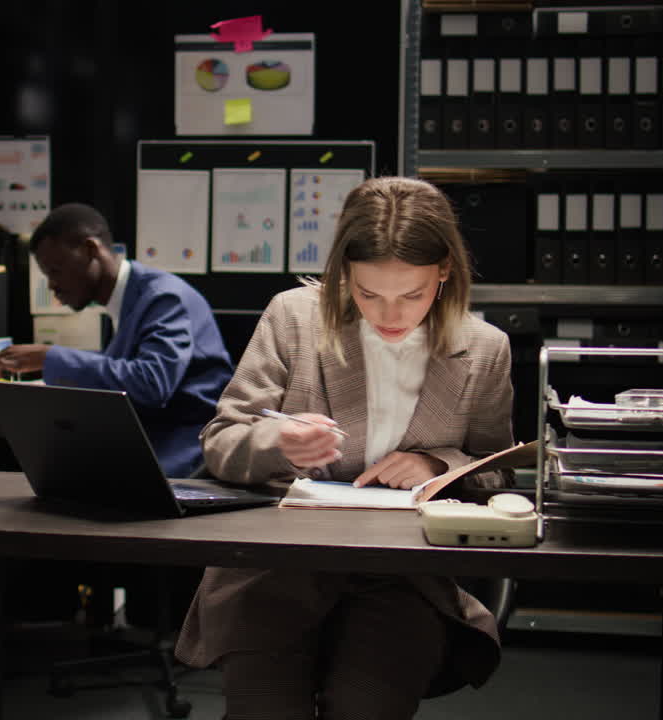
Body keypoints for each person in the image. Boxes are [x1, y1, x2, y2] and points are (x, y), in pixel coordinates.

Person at [174, 177, 515, 720]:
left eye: (414, 295)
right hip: (278, 568)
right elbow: (221, 442)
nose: (392, 315)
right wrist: (278, 442)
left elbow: (499, 472)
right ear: (343, 275)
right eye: (368, 293)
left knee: (366, 707)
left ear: (445, 272)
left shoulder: (485, 349)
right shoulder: (294, 317)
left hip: (402, 575)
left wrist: (436, 464)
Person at [0, 202, 233, 479]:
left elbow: (151, 382)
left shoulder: (164, 297)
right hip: (147, 448)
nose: (52, 286)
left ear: (91, 250)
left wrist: (50, 358)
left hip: (183, 461)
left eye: (55, 270)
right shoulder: (128, 301)